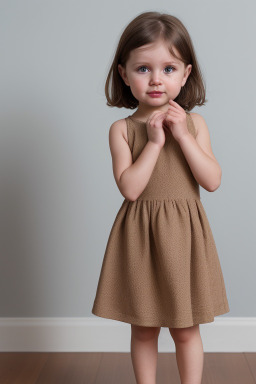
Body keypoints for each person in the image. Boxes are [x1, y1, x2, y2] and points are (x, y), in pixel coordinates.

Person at [91, 11, 230, 384]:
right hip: (140, 239)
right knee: (144, 328)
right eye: (143, 69)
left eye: (169, 68)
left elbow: (212, 180)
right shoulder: (122, 129)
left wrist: (182, 135)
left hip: (184, 237)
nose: (156, 79)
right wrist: (154, 143)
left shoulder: (196, 124)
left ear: (185, 75)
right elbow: (131, 188)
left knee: (185, 329)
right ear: (123, 74)